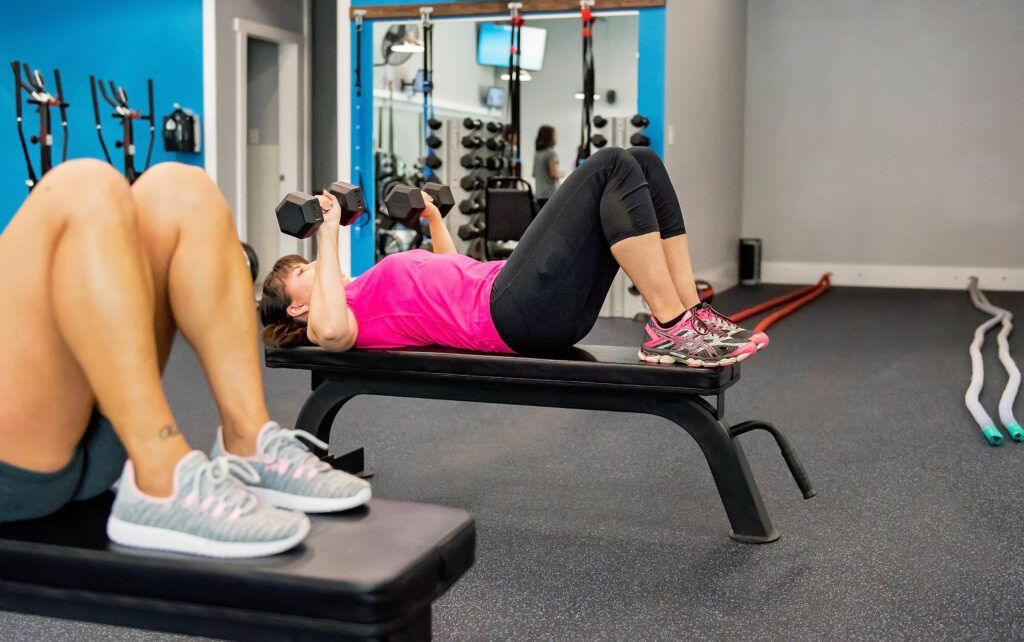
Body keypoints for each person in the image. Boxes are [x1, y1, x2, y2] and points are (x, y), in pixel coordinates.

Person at [0, 160, 370, 558]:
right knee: (82, 186)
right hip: (18, 463)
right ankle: (158, 475)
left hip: (85, 429)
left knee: (181, 189)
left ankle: (247, 439)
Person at [261, 147, 769, 366]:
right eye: (301, 273)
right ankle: (670, 327)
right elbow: (331, 334)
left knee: (643, 163)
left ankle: (688, 315)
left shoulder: (357, 291)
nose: (311, 266)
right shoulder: (331, 322)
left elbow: (452, 274)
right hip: (510, 310)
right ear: (298, 309)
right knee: (610, 165)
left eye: (306, 261)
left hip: (510, 298)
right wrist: (326, 235)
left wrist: (434, 221)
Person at [532, 125, 563, 209]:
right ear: (550, 137)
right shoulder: (552, 153)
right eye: (555, 135)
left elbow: (534, 174)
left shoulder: (537, 153)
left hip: (539, 194)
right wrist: (561, 174)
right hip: (550, 194)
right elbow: (553, 174)